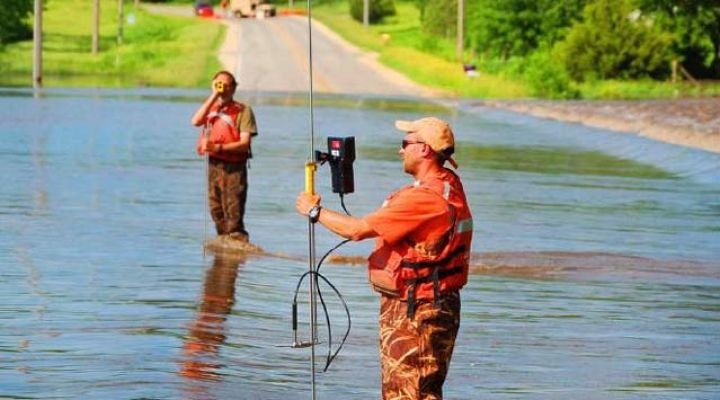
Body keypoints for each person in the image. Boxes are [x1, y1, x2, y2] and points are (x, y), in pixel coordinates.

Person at [296, 117, 473, 399]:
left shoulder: (424, 199)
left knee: (406, 391)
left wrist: (314, 211)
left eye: (406, 144)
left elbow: (356, 230)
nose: (400, 150)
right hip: (431, 302)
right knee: (419, 389)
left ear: (425, 150)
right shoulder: (448, 183)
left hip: (417, 309)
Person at [192, 70, 257, 243]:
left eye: (228, 85)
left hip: (234, 167)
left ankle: (238, 243)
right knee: (216, 210)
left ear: (234, 88)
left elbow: (244, 143)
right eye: (219, 84)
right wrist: (214, 95)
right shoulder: (210, 108)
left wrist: (218, 146)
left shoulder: (243, 111)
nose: (224, 88)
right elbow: (195, 121)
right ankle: (224, 252)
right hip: (214, 165)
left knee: (233, 210)